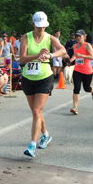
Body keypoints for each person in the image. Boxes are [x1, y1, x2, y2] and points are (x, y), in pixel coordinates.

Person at [20, 11, 67, 157]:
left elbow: (63, 50)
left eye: (43, 26)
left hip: (45, 77)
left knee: (36, 111)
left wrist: (50, 55)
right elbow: (22, 59)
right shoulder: (25, 37)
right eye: (38, 26)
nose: (41, 29)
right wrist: (38, 55)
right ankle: (46, 134)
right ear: (33, 24)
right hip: (28, 78)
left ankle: (32, 146)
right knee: (36, 111)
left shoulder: (50, 38)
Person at [69, 30, 93, 115]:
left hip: (87, 71)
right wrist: (70, 61)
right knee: (76, 88)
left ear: (84, 37)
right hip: (77, 70)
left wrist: (82, 55)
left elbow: (92, 57)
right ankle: (75, 107)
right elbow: (75, 55)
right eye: (77, 36)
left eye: (79, 36)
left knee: (86, 88)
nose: (78, 37)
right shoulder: (75, 46)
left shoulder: (87, 45)